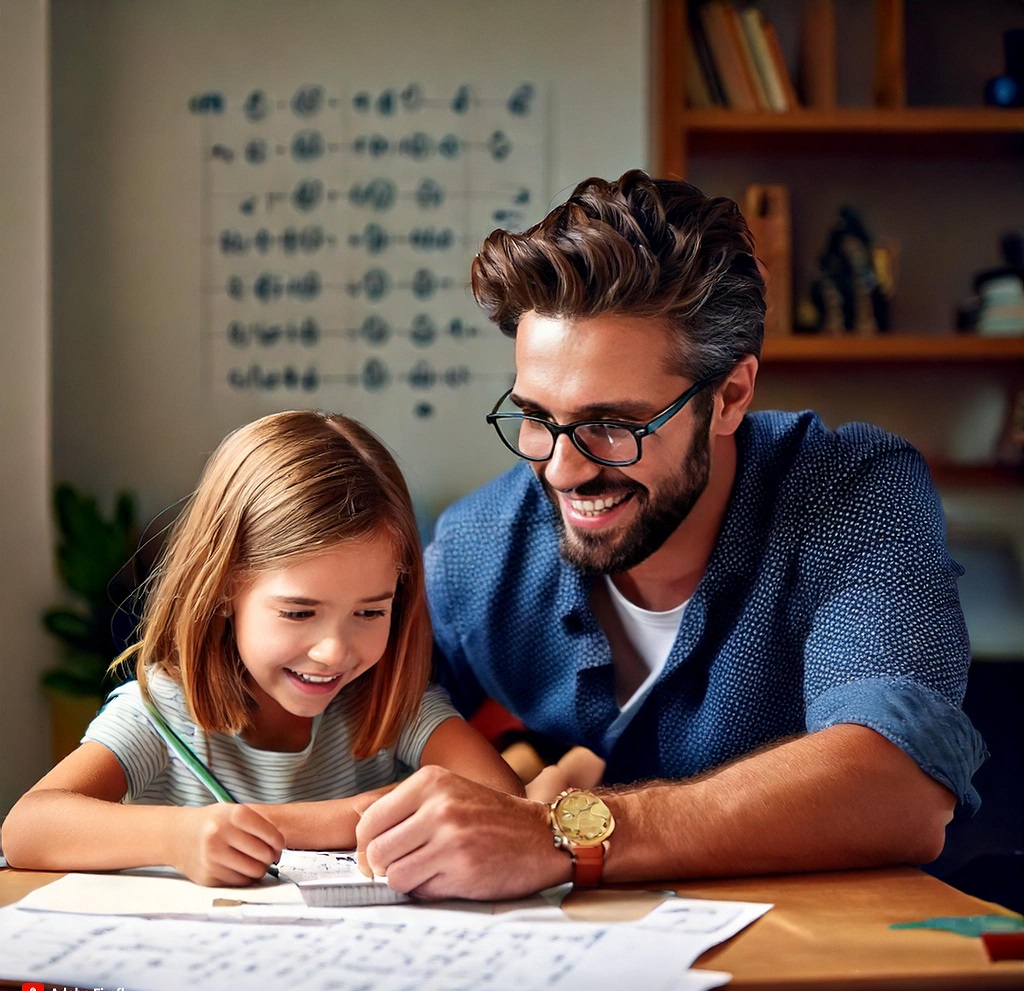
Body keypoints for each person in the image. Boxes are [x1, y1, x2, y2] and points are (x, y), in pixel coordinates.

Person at [354, 169, 987, 900]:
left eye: (612, 426)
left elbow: (899, 786)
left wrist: (563, 833)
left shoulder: (852, 493)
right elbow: (358, 688)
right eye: (536, 417)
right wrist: (489, 774)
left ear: (730, 396)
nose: (562, 470)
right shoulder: (481, 545)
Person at [2, 411, 522, 886]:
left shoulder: (391, 702)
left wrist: (309, 821)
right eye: (299, 612)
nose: (333, 652)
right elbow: (27, 828)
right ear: (226, 587)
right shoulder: (161, 712)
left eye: (370, 612)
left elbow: (506, 804)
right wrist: (177, 837)